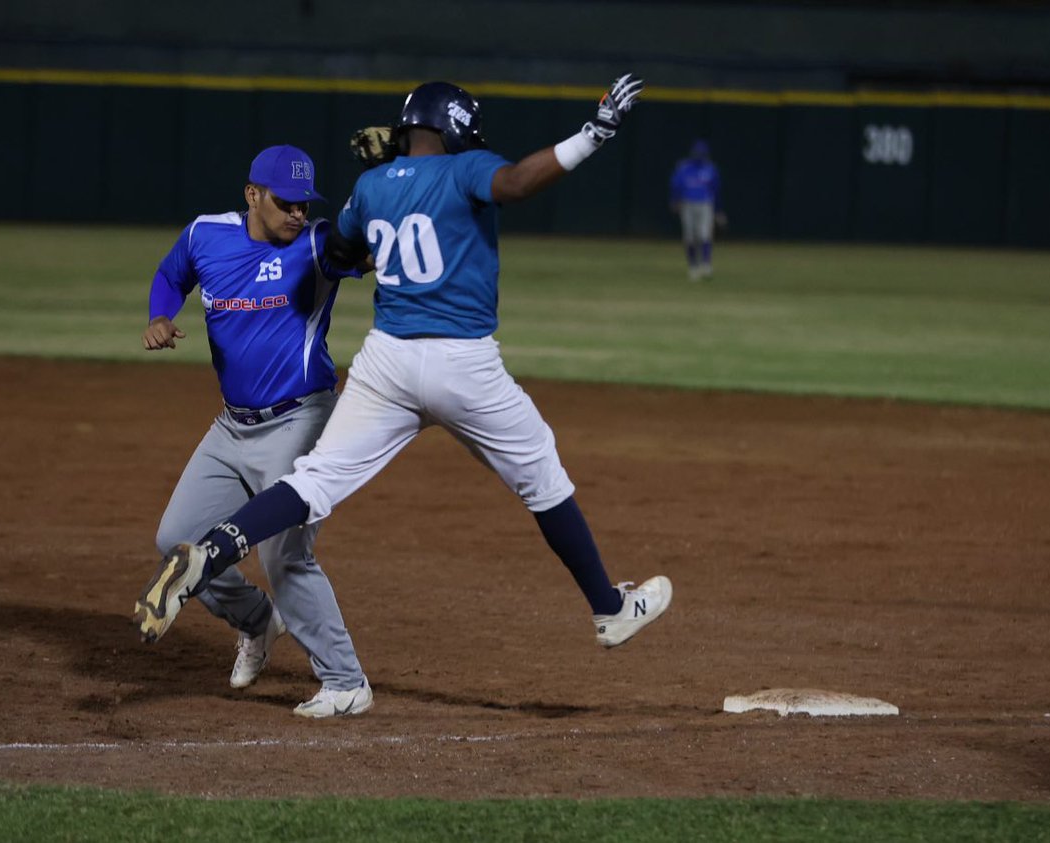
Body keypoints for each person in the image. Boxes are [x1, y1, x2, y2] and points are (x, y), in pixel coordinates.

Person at [134, 75, 673, 709]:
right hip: (463, 362)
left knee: (315, 482)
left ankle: (215, 551)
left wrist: (382, 178)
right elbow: (521, 183)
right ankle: (609, 608)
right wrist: (596, 131)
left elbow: (338, 251)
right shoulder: (466, 168)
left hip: (386, 361)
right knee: (543, 480)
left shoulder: (369, 187)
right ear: (453, 131)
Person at [136, 144, 372, 719]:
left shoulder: (318, 245)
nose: (297, 213)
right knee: (176, 540)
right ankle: (258, 621)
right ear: (252, 196)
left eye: (303, 203)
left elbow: (369, 248)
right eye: (286, 203)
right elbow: (171, 275)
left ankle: (346, 681)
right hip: (230, 427)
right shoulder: (205, 236)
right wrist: (160, 316)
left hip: (302, 421)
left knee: (284, 555)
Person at [669, 139, 727, 280]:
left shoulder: (710, 168)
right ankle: (693, 266)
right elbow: (676, 185)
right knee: (690, 237)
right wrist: (675, 200)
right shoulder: (684, 167)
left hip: (705, 204)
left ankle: (706, 265)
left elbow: (716, 190)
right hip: (687, 204)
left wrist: (718, 210)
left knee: (704, 235)